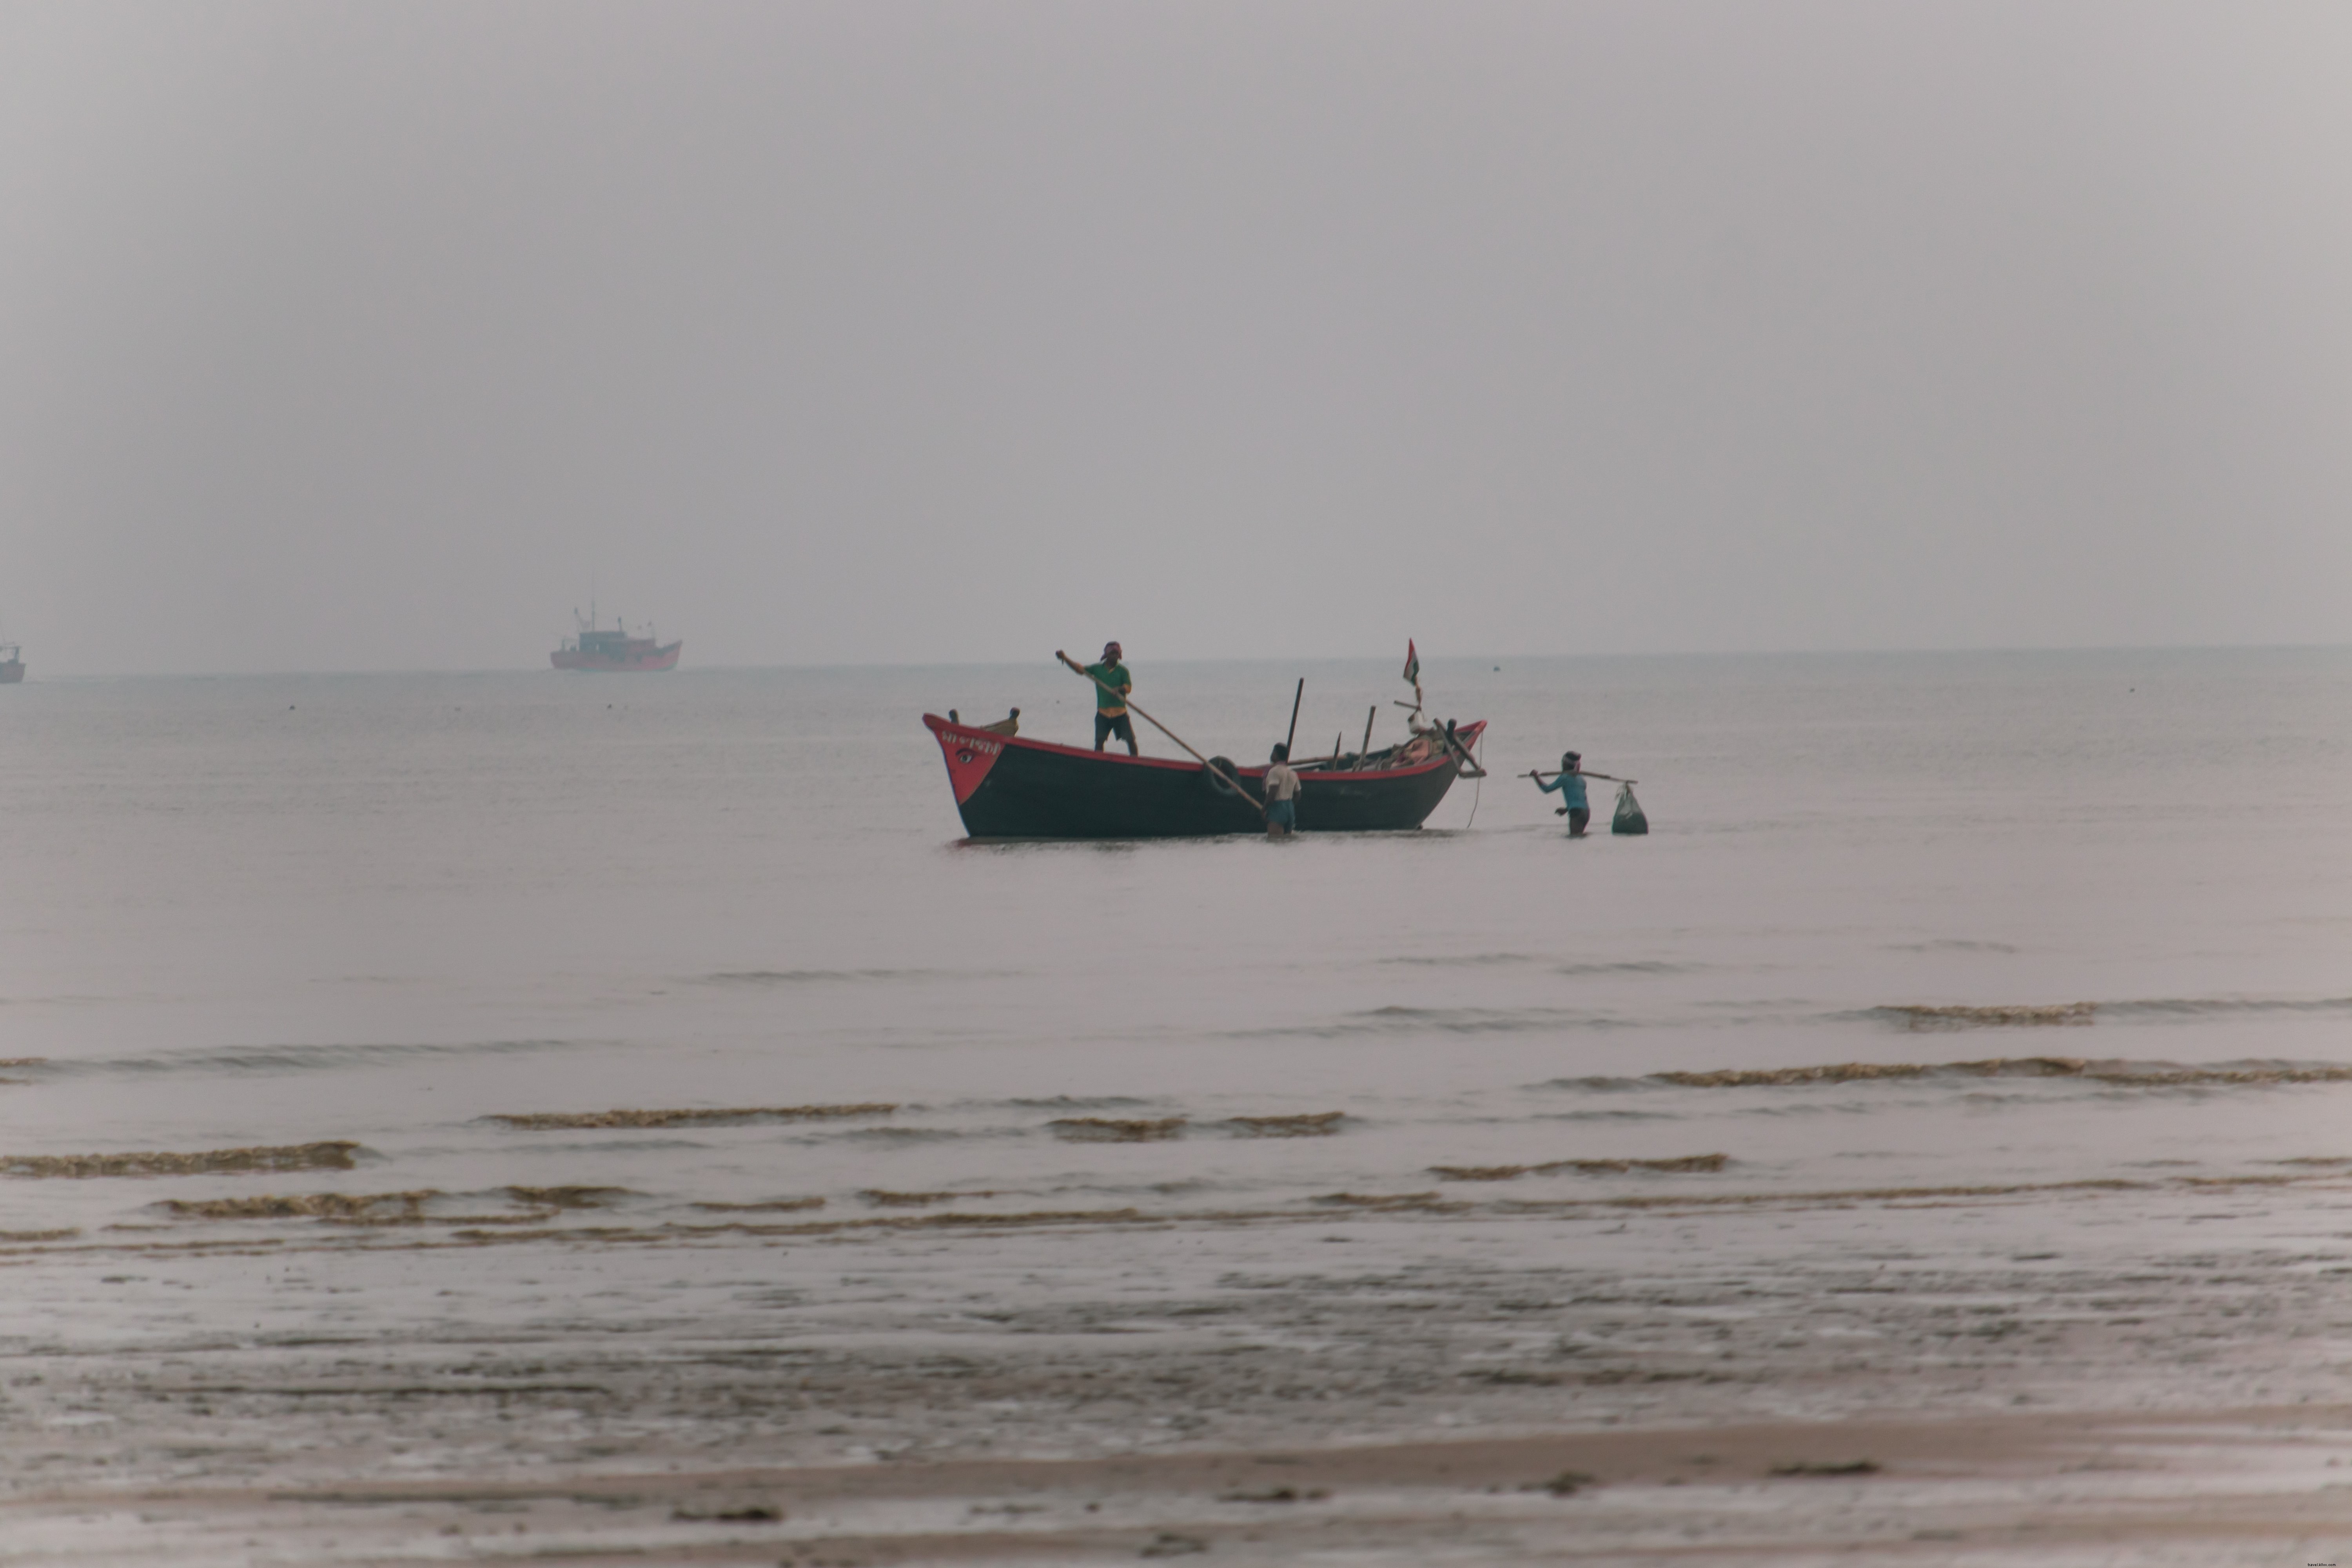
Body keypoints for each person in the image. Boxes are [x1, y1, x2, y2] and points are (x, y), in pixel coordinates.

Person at [1084, 641, 1136, 755]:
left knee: (1131, 740)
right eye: (1112, 653)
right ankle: (1098, 763)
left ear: (1120, 655)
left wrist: (1119, 689)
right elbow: (1080, 669)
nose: (1115, 656)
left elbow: (1128, 688)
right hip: (1103, 712)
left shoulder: (1123, 671)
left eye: (1117, 654)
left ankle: (1136, 763)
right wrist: (1066, 659)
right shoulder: (1097, 669)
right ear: (1106, 655)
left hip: (1120, 713)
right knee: (1099, 741)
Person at [1534, 750, 1592, 836]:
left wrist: (1536, 777)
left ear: (1565, 764)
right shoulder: (1581, 778)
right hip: (1586, 812)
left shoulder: (1564, 778)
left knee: (1574, 838)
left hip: (1576, 812)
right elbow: (1579, 799)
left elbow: (1547, 789)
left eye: (1563, 762)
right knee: (1579, 837)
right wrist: (1566, 810)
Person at [1263, 742, 1302, 838]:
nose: (1271, 755)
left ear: (1276, 755)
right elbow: (1298, 795)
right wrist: (1289, 806)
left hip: (1277, 807)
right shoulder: (1292, 773)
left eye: (1273, 752)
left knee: (1274, 841)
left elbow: (1272, 794)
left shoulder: (1274, 771)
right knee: (1287, 842)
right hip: (1290, 808)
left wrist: (1264, 809)